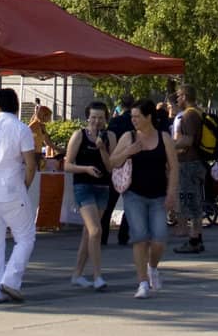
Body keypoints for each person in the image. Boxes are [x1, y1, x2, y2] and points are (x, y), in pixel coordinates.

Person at [111, 100, 178, 299]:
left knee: (159, 238)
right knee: (139, 237)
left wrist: (171, 193)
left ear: (149, 117)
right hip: (134, 195)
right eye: (132, 116)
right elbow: (112, 162)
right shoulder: (128, 136)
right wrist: (127, 152)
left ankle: (153, 267)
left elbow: (173, 167)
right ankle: (142, 283)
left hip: (158, 195)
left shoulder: (163, 137)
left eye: (137, 116)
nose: (133, 120)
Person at [0, 88, 38, 303]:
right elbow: (31, 164)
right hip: (13, 188)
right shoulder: (22, 129)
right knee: (25, 237)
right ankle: (11, 280)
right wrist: (26, 186)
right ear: (17, 105)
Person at [63, 100, 114, 290]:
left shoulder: (110, 137)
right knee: (95, 231)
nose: (96, 122)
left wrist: (102, 148)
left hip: (103, 187)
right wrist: (85, 169)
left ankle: (77, 274)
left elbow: (111, 166)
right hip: (83, 186)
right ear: (87, 118)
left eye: (100, 118)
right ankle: (98, 275)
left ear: (106, 119)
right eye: (93, 117)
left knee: (88, 234)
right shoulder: (79, 135)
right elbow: (67, 165)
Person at [171, 85, 208, 255]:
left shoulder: (189, 115)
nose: (177, 99)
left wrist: (170, 146)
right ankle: (197, 238)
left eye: (178, 96)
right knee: (195, 200)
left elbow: (188, 140)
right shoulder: (198, 112)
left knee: (190, 201)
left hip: (189, 163)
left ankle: (193, 240)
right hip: (197, 162)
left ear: (185, 96)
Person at [102, 94, 135, 246]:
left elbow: (108, 140)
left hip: (115, 164)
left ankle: (103, 236)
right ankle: (124, 235)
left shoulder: (115, 122)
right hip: (132, 164)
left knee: (109, 204)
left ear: (121, 106)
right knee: (130, 203)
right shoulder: (135, 122)